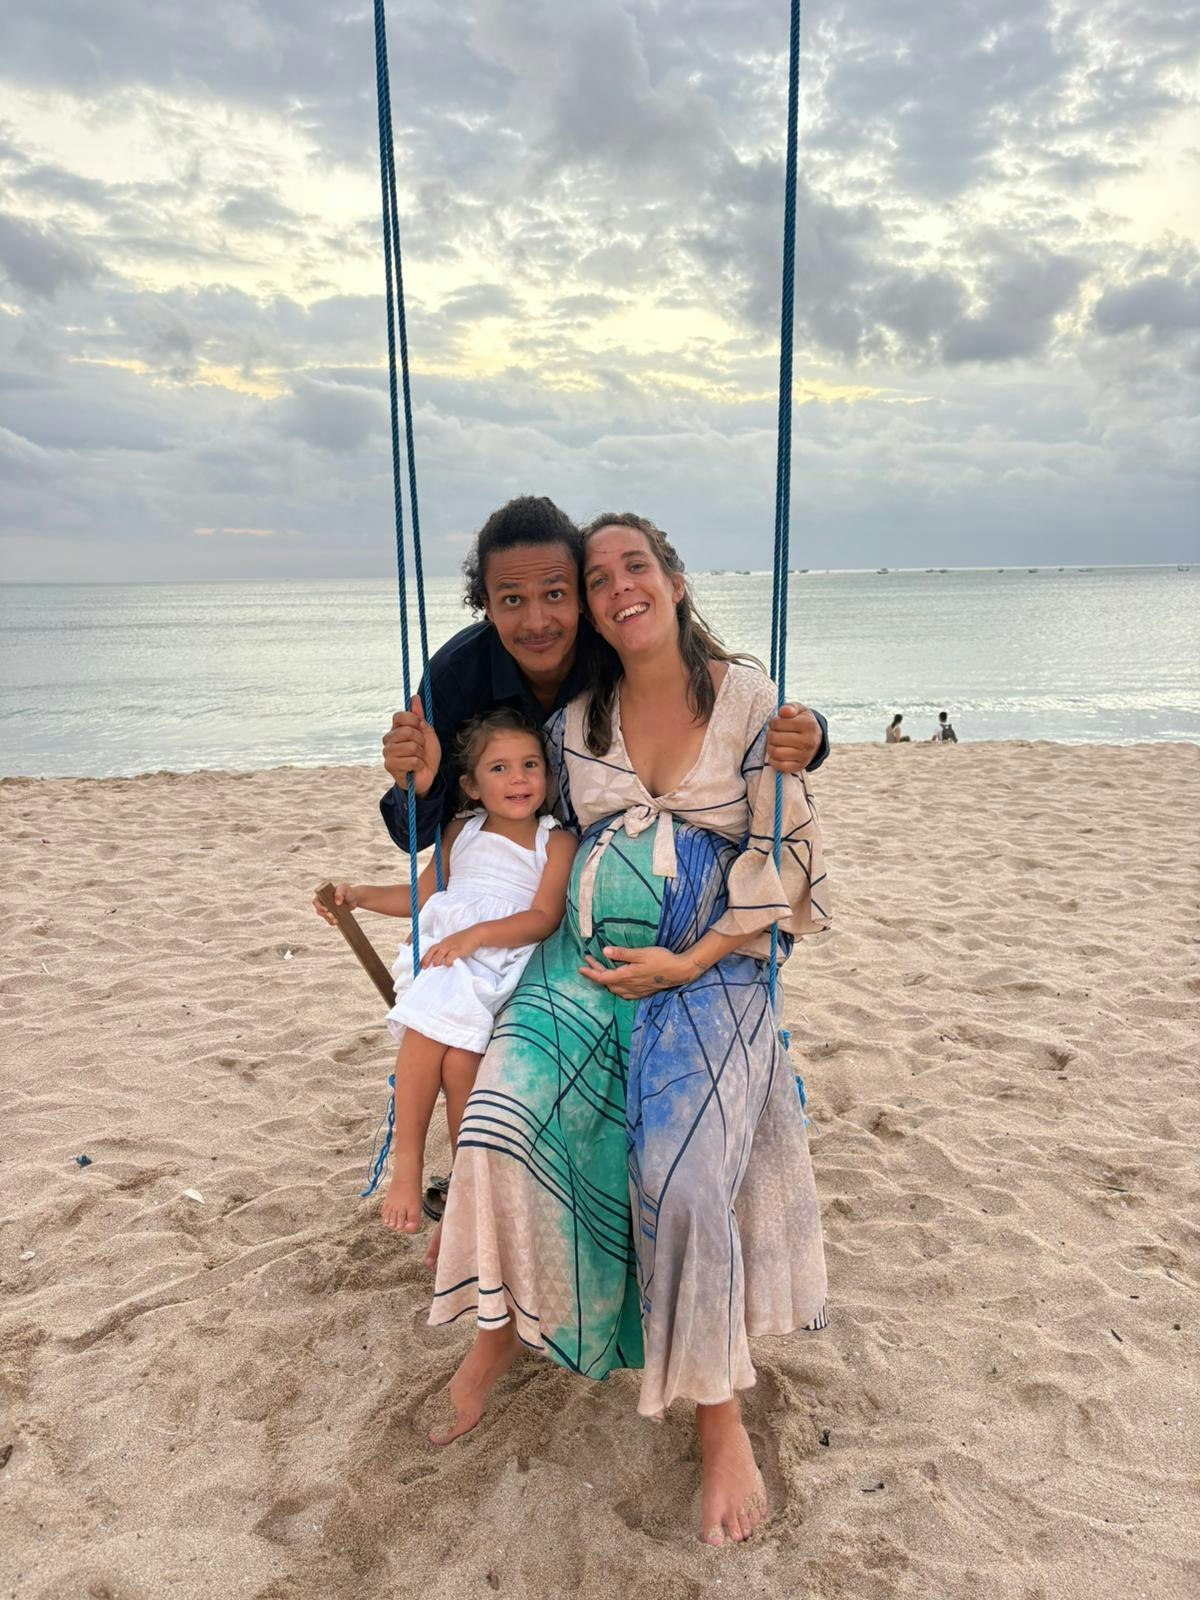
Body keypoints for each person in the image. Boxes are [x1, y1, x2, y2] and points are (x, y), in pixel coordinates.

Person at [427, 513, 830, 1551]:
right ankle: (500, 1329)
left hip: (713, 966)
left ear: (676, 580)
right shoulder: (576, 726)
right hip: (584, 964)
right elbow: (506, 822)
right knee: (497, 1120)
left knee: (681, 1177)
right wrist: (422, 781)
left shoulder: (749, 701)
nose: (617, 589)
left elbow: (785, 858)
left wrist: (691, 960)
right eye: (598, 579)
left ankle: (719, 1415)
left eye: (633, 568)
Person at [378, 495, 830, 857]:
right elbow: (411, 839)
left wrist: (812, 735)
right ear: (487, 607)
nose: (537, 622)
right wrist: (415, 783)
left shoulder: (616, 643)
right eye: (512, 600)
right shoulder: (455, 676)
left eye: (555, 594)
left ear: (581, 599)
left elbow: (721, 685)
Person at [315, 709, 576, 1247]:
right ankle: (442, 1174)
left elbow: (543, 917)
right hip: (447, 958)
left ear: (547, 776)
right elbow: (424, 895)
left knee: (440, 1030)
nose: (519, 778)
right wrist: (360, 896)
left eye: (530, 765)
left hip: (501, 960)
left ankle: (431, 1171)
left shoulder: (555, 843)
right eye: (499, 768)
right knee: (454, 1058)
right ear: (471, 786)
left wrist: (476, 937)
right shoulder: (461, 831)